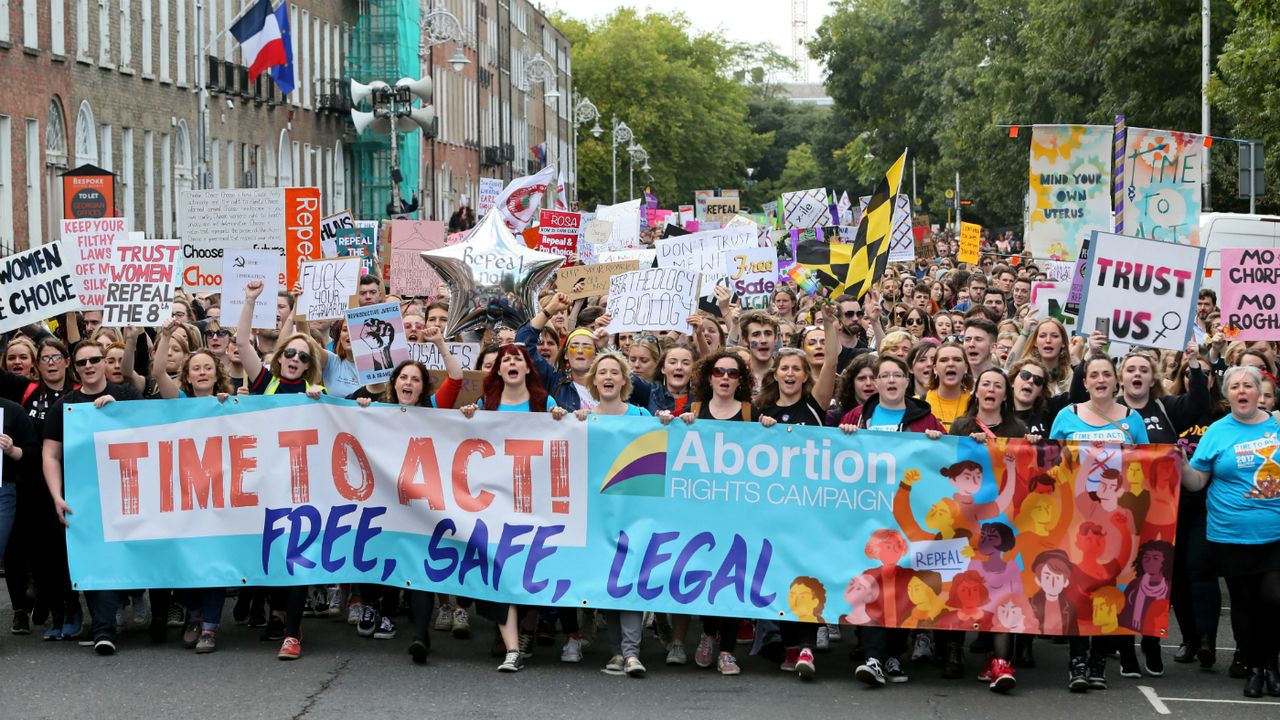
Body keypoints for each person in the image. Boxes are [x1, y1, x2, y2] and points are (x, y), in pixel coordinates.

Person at [459, 344, 570, 672]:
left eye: (516, 359)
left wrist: (562, 419)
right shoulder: (487, 404)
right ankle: (511, 649)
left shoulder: (542, 402)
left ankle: (527, 630)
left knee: (529, 568)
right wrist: (468, 418)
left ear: (526, 368)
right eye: (505, 359)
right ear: (499, 370)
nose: (510, 362)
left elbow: (566, 436)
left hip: (536, 500)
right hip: (496, 500)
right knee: (500, 569)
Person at [839, 355, 945, 687]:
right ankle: (873, 655)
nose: (890, 381)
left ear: (907, 378)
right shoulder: (857, 416)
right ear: (877, 382)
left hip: (906, 517)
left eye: (897, 374)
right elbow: (833, 458)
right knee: (872, 584)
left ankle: (894, 656)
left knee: (901, 588)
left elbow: (945, 463)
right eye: (883, 375)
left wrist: (936, 444)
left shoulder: (925, 418)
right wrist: (843, 435)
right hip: (868, 517)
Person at [1049, 351, 1151, 692]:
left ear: (1116, 379)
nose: (1101, 380)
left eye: (1107, 374)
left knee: (1109, 590)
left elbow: (1149, 468)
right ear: (1085, 381)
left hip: (1118, 523)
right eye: (1094, 375)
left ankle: (1098, 661)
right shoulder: (1067, 415)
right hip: (1076, 521)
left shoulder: (1132, 420)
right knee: (1079, 589)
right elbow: (1050, 464)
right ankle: (1077, 661)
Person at [237, 279, 326, 660]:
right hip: (265, 485)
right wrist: (250, 301)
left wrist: (323, 403)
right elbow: (242, 343)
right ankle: (276, 612)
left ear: (311, 366)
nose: (295, 360)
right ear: (280, 356)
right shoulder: (266, 383)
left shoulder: (318, 395)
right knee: (272, 554)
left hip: (304, 491)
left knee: (298, 557)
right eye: (290, 353)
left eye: (304, 357)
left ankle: (292, 631)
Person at [658, 349, 758, 676]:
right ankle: (708, 633)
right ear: (709, 377)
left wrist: (768, 428)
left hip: (738, 509)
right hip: (700, 510)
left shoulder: (749, 413)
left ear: (740, 380)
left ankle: (726, 650)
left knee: (732, 578)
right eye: (719, 372)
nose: (725, 378)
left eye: (732, 373)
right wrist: (675, 423)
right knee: (706, 574)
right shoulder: (695, 410)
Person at [1183, 365, 1280, 699]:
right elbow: (1197, 481)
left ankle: (1272, 664)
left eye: (1248, 385)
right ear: (1226, 395)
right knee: (1244, 603)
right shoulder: (1217, 432)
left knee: (1273, 598)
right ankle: (1254, 669)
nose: (1242, 391)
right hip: (1230, 533)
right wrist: (1179, 463)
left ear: (1259, 392)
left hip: (1275, 532)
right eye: (1235, 386)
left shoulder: (1277, 425)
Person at [42, 340, 144, 655]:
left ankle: (119, 610)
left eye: (94, 360)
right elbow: (51, 454)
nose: (89, 366)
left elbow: (149, 434)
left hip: (128, 493)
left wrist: (120, 412)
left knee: (122, 557)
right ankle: (104, 630)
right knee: (95, 559)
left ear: (103, 363)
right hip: (86, 498)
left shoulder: (127, 395)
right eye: (82, 362)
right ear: (75, 367)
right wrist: (57, 496)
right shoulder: (66, 406)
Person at [572, 352, 652, 678]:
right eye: (601, 372)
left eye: (614, 372)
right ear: (594, 381)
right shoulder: (581, 420)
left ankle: (632, 653)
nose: (607, 376)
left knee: (629, 580)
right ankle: (617, 652)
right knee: (610, 583)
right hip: (598, 517)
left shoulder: (642, 415)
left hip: (634, 515)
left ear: (623, 381)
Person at [925, 342, 973, 431]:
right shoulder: (919, 403)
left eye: (957, 360)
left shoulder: (976, 404)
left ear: (966, 368)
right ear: (935, 369)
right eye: (944, 360)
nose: (951, 364)